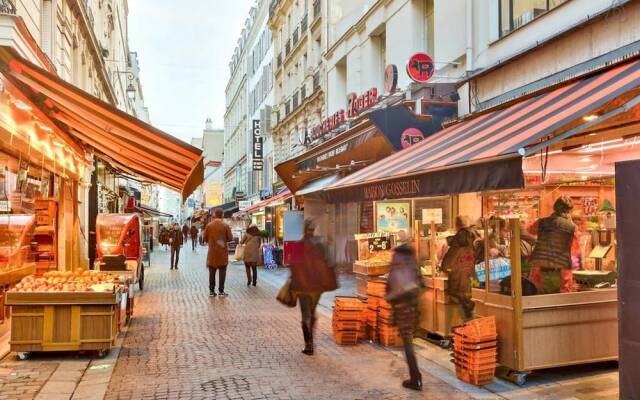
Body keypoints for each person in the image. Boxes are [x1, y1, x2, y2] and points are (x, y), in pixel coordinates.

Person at [290, 220, 337, 355]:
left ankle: (309, 345)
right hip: (317, 286)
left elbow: (293, 266)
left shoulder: (299, 245)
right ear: (313, 230)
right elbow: (330, 263)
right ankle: (311, 341)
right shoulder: (320, 245)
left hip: (302, 286)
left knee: (306, 314)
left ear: (304, 230)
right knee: (312, 311)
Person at [385, 241, 423, 391]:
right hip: (413, 307)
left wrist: (390, 296)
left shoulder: (397, 262)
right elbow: (420, 284)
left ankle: (415, 379)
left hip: (402, 308)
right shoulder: (413, 262)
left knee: (407, 344)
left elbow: (390, 285)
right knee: (408, 342)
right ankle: (415, 377)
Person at [528, 196, 576, 294]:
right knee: (562, 302)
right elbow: (575, 249)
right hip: (562, 270)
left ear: (555, 208)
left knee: (539, 301)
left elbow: (530, 231)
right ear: (569, 210)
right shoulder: (572, 226)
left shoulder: (541, 222)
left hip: (540, 267)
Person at [441, 216, 480, 321]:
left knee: (463, 305)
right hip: (472, 277)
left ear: (457, 226)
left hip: (459, 280)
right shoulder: (475, 237)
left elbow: (449, 260)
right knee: (470, 303)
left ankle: (468, 329)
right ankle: (473, 327)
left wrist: (444, 268)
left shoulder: (458, 239)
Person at [203, 208, 233, 297]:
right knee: (222, 272)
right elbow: (230, 238)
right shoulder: (225, 225)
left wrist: (212, 241)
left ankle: (211, 291)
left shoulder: (209, 225)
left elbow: (204, 239)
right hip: (222, 252)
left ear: (215, 215)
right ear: (222, 215)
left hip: (212, 252)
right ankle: (221, 291)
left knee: (212, 272)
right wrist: (222, 240)